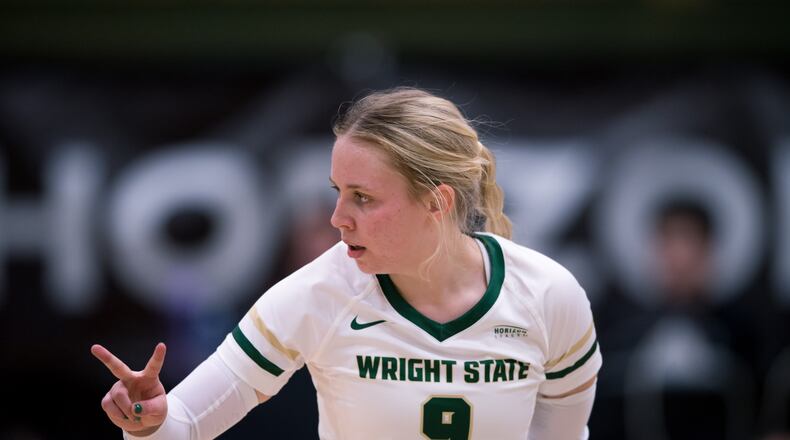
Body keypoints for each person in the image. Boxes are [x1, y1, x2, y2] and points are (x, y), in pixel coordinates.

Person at [91, 87, 602, 439]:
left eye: (363, 197)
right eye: (337, 191)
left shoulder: (549, 296)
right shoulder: (318, 291)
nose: (338, 218)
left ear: (436, 201)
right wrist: (148, 421)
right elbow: (186, 425)